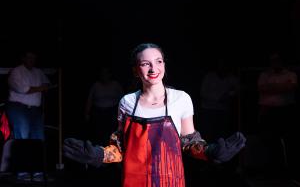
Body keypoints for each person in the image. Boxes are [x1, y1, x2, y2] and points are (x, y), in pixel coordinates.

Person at [63, 43, 246, 187]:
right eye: (145, 63)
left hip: (170, 181)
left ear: (164, 65)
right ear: (136, 70)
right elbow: (120, 148)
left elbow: (189, 142)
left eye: (159, 61)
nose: (153, 68)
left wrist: (211, 152)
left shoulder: (180, 98)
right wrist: (97, 155)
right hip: (134, 181)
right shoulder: (127, 102)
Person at [5, 51, 51, 182]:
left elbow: (47, 84)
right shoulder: (16, 71)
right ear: (23, 58)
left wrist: (41, 87)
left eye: (34, 58)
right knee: (22, 137)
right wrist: (40, 88)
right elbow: (23, 89)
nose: (32, 60)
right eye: (29, 57)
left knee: (38, 139)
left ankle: (37, 172)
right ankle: (22, 171)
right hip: (18, 107)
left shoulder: (38, 72)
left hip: (35, 109)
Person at [257, 52, 298, 176]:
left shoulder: (291, 74)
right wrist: (280, 87)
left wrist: (272, 87)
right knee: (270, 140)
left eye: (277, 60)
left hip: (286, 111)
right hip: (268, 111)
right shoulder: (264, 75)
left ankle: (291, 169)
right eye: (272, 60)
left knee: (289, 140)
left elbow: (290, 87)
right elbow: (262, 88)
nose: (275, 63)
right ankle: (274, 169)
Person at [85, 66, 124, 145]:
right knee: (98, 134)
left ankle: (111, 151)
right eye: (103, 73)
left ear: (110, 74)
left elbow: (123, 99)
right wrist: (87, 113)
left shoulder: (115, 85)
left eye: (106, 73)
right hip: (98, 113)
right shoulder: (96, 85)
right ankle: (98, 152)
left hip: (112, 112)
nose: (104, 75)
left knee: (111, 133)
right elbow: (89, 100)